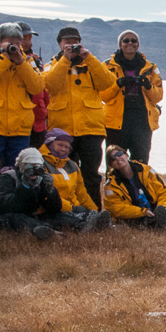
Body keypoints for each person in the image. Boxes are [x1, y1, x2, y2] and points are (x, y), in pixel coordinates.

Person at [42, 26, 113, 208]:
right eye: (67, 41)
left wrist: (88, 57)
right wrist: (65, 60)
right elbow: (49, 86)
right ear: (59, 44)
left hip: (90, 129)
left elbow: (107, 82)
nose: (71, 44)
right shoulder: (51, 66)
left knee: (91, 175)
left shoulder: (90, 64)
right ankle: (70, 210)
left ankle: (95, 212)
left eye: (75, 41)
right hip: (62, 130)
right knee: (65, 173)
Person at [0, 23, 45, 178]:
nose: (15, 47)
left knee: (19, 175)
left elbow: (37, 87)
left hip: (19, 128)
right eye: (10, 43)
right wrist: (4, 60)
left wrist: (21, 63)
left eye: (18, 44)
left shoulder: (27, 60)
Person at [0, 148, 60, 240]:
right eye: (29, 166)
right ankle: (48, 231)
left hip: (26, 216)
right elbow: (8, 206)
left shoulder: (39, 180)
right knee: (17, 218)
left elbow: (54, 209)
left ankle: (66, 227)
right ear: (20, 166)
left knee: (57, 216)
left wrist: (50, 190)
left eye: (37, 167)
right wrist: (25, 185)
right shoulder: (7, 177)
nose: (34, 170)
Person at [104, 30, 163, 165]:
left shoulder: (150, 67)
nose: (130, 43)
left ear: (138, 44)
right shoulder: (107, 66)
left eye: (133, 40)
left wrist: (148, 86)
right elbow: (103, 95)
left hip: (142, 122)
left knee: (141, 162)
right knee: (114, 162)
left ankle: (139, 185)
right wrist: (118, 84)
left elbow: (158, 97)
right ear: (120, 44)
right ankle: (114, 186)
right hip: (116, 123)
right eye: (126, 40)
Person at [39, 128, 112, 232]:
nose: (64, 149)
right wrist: (73, 208)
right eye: (60, 145)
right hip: (51, 210)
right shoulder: (40, 164)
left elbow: (81, 194)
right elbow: (47, 196)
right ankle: (87, 226)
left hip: (74, 209)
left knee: (91, 214)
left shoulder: (72, 165)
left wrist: (94, 210)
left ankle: (96, 222)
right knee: (71, 218)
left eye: (67, 147)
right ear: (49, 144)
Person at [102, 144, 166, 229]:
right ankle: (161, 224)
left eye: (119, 154)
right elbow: (116, 208)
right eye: (112, 159)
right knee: (138, 222)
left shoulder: (146, 170)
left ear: (126, 155)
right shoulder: (110, 186)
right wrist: (143, 212)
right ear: (111, 165)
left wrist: (163, 210)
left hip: (155, 208)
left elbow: (164, 192)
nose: (117, 158)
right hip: (136, 215)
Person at [18, 22, 50, 149]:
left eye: (29, 38)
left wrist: (47, 113)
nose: (28, 42)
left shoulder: (36, 60)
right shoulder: (3, 59)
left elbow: (44, 88)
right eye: (24, 38)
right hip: (19, 118)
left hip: (38, 119)